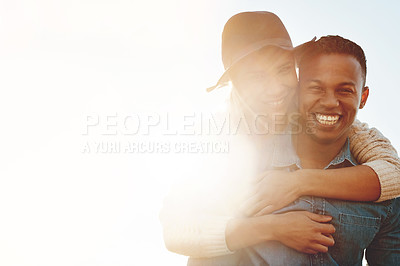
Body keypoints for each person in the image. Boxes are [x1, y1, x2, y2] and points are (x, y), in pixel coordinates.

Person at [160, 11, 400, 261]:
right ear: (236, 83)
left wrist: (295, 182)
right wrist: (271, 228)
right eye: (256, 77)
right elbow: (176, 230)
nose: (275, 88)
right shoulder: (221, 137)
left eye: (283, 70)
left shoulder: (325, 118)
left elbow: (392, 172)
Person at [238, 35, 400, 265]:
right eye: (316, 88)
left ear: (363, 97)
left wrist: (296, 182)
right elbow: (206, 241)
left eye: (344, 90)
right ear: (297, 91)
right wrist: (270, 228)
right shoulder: (248, 160)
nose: (330, 102)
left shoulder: (382, 191)